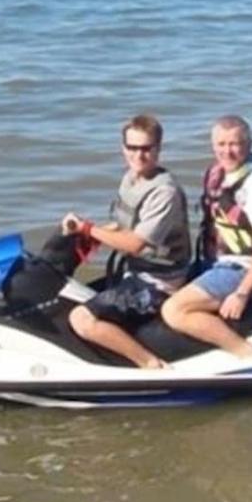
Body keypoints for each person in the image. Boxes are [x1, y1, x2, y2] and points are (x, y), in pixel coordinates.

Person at [61, 114, 191, 369]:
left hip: (159, 284)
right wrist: (81, 236)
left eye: (146, 148)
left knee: (81, 319)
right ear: (123, 148)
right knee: (69, 298)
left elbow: (135, 244)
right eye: (132, 147)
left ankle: (150, 364)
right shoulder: (131, 179)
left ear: (158, 149)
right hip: (134, 272)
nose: (138, 155)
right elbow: (121, 226)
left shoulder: (164, 192)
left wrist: (88, 229)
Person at [161, 115, 252, 358]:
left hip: (240, 268)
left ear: (249, 145)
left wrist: (242, 293)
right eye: (221, 144)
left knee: (174, 310)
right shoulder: (218, 174)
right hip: (215, 263)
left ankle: (247, 355)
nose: (227, 151)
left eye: (234, 144)